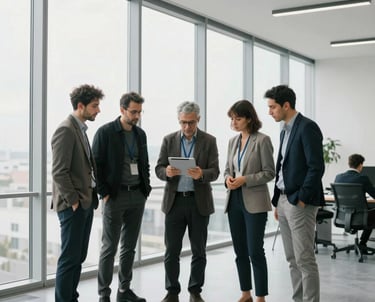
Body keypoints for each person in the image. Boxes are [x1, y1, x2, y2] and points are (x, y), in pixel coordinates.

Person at [265, 85, 325, 302]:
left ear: (286, 105)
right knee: (292, 258)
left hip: (298, 202)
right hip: (282, 199)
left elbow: (316, 167)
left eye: (272, 107)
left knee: (304, 259)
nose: (270, 112)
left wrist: (301, 198)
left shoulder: (307, 127)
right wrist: (276, 201)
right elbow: (281, 166)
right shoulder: (285, 129)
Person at [155, 101, 219, 302]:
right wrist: (166, 172)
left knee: (199, 250)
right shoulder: (168, 140)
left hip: (198, 202)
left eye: (191, 123)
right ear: (179, 121)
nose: (187, 127)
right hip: (174, 202)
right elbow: (158, 168)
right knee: (171, 250)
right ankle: (172, 291)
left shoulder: (209, 141)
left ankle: (195, 290)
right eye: (183, 123)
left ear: (198, 119)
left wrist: (202, 173)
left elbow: (215, 171)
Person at [92, 92, 152, 302]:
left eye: (139, 112)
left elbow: (144, 164)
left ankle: (124, 291)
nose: (136, 116)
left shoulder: (140, 134)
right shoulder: (105, 132)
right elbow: (96, 165)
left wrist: (146, 189)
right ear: (122, 110)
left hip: (137, 195)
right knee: (109, 248)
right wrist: (104, 193)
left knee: (129, 247)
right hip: (114, 197)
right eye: (133, 111)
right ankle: (104, 295)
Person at [51, 84, 104, 302]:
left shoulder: (80, 129)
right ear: (80, 106)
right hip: (73, 205)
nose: (98, 110)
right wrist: (73, 200)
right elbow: (59, 172)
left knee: (78, 256)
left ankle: (71, 297)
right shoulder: (65, 130)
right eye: (94, 106)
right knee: (69, 259)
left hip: (85, 202)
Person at [224, 100, 275, 302]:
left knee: (255, 250)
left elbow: (269, 172)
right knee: (240, 251)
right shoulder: (232, 142)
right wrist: (228, 178)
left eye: (238, 118)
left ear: (249, 119)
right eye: (232, 119)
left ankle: (261, 296)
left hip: (254, 201)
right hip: (234, 199)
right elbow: (228, 169)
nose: (234, 123)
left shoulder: (262, 140)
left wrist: (246, 179)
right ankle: (246, 293)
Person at [334, 153, 375, 253]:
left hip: (343, 217)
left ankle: (362, 243)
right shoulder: (363, 178)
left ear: (349, 164)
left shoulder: (338, 177)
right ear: (360, 165)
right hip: (360, 218)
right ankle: (362, 243)